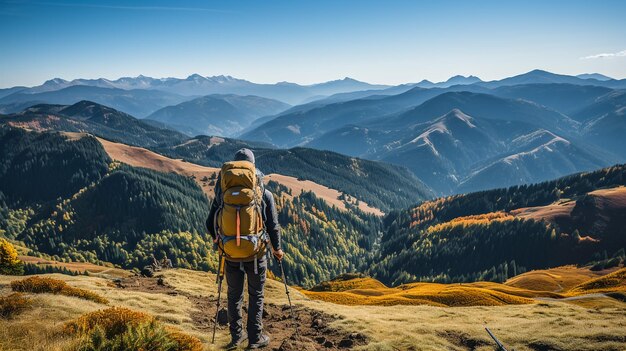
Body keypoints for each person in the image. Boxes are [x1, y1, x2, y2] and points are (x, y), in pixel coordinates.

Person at [206, 148, 284, 350]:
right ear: (252, 167)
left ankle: (236, 337)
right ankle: (255, 338)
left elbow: (209, 223)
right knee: (256, 295)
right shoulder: (263, 193)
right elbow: (273, 226)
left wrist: (219, 240)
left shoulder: (222, 194)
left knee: (234, 295)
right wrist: (277, 249)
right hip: (256, 254)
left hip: (230, 253)